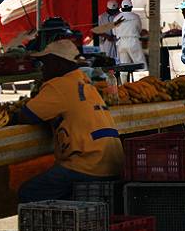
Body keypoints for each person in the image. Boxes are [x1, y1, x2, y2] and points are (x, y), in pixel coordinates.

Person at [17, 40, 124, 202]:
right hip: (113, 161)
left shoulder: (59, 85)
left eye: (46, 63)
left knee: (29, 192)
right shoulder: (85, 82)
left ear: (58, 64)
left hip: (88, 164)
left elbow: (26, 116)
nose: (43, 69)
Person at [113, 0, 145, 69]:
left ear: (121, 7)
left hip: (121, 43)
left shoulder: (116, 18)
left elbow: (114, 33)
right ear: (131, 7)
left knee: (124, 67)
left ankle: (124, 80)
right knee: (140, 65)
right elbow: (139, 29)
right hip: (133, 41)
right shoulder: (136, 17)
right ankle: (143, 80)